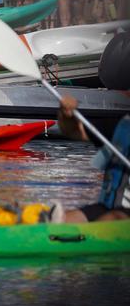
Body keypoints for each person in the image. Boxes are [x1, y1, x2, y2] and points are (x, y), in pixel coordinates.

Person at [50, 94, 130, 223]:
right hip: (109, 207)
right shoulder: (121, 125)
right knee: (65, 220)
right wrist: (66, 114)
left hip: (119, 216)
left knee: (112, 218)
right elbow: (73, 131)